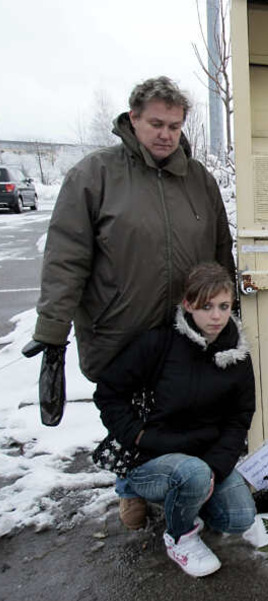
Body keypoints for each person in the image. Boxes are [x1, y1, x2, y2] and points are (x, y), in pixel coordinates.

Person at [25, 76, 235, 528]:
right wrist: (51, 332)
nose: (165, 134)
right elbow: (66, 258)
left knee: (177, 411)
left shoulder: (198, 181)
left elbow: (221, 251)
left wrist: (225, 313)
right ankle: (131, 486)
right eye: (156, 123)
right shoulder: (95, 175)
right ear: (133, 118)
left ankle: (176, 484)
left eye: (175, 126)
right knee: (126, 417)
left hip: (184, 328)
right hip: (121, 325)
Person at [92, 262, 255, 578]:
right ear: (188, 304)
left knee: (240, 517)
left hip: (204, 459)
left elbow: (240, 416)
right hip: (151, 457)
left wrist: (217, 468)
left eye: (224, 306)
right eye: (206, 306)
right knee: (191, 473)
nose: (217, 316)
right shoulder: (160, 343)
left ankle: (189, 497)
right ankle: (181, 536)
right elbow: (109, 393)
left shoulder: (236, 355)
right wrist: (138, 436)